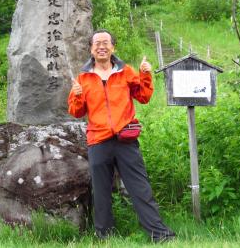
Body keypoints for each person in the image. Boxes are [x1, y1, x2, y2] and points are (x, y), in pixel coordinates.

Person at [68, 29, 175, 242]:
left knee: (140, 188)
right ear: (91, 49)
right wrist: (78, 97)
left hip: (126, 140)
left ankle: (160, 235)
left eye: (105, 42)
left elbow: (143, 96)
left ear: (112, 47)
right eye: (97, 43)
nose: (101, 46)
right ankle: (105, 237)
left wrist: (145, 74)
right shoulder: (83, 77)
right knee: (101, 193)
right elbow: (76, 111)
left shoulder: (125, 71)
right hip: (98, 140)